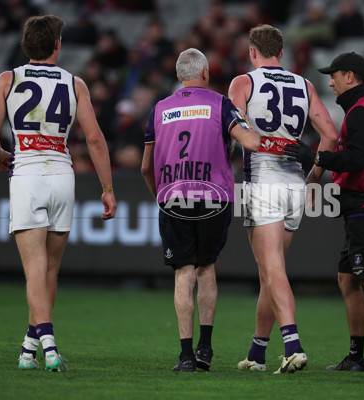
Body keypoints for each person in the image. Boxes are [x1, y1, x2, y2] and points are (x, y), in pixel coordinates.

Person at [0, 15, 117, 372]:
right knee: (50, 270)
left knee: (35, 270)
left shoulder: (8, 78)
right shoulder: (75, 83)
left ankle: (49, 345)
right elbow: (96, 139)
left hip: (27, 173)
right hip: (62, 174)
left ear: (26, 45)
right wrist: (107, 189)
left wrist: (1, 158)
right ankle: (29, 347)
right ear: (57, 45)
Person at [286, 51, 364, 374]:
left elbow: (357, 160)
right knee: (348, 279)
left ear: (350, 77)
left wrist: (312, 157)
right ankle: (356, 356)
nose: (330, 81)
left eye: (335, 75)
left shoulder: (360, 112)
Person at [140, 48, 260, 373]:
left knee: (183, 273)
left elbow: (145, 168)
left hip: (173, 197)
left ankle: (185, 355)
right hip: (213, 198)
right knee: (206, 268)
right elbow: (249, 142)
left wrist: (160, 197)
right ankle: (205, 348)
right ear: (205, 74)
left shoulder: (159, 109)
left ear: (180, 76)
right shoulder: (220, 104)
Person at [229, 24, 337, 374]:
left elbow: (230, 128)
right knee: (270, 274)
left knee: (272, 268)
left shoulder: (244, 82)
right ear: (282, 53)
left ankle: (292, 344)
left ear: (252, 52)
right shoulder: (304, 85)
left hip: (262, 180)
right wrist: (314, 178)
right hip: (294, 184)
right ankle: (258, 352)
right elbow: (330, 136)